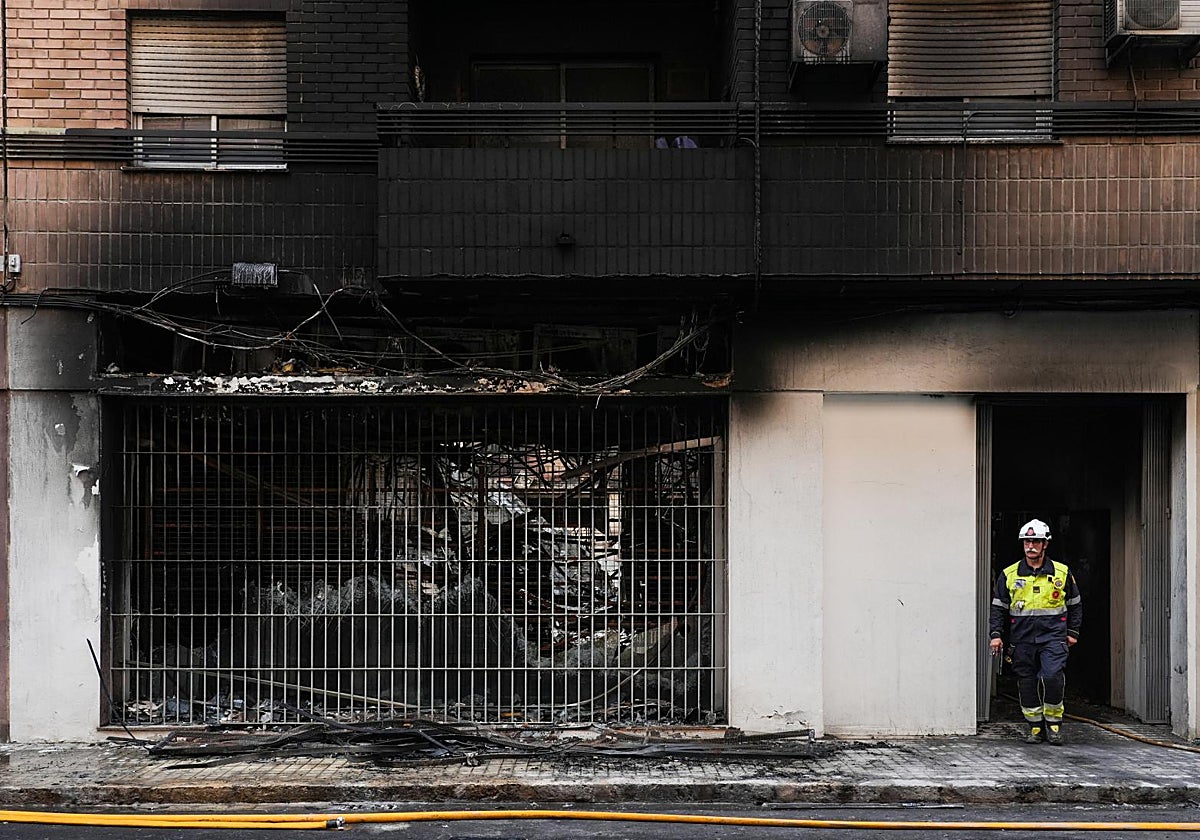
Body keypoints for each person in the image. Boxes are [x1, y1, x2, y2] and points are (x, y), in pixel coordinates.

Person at [989, 518, 1082, 745]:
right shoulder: (1009, 574)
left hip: (1053, 637)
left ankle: (1054, 724)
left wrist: (1073, 632)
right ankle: (1035, 727)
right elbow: (998, 608)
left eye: (1035, 541)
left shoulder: (1061, 572)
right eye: (1026, 541)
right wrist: (996, 635)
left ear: (1045, 544)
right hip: (1021, 640)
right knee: (1027, 682)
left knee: (1052, 677)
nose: (1030, 546)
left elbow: (1075, 603)